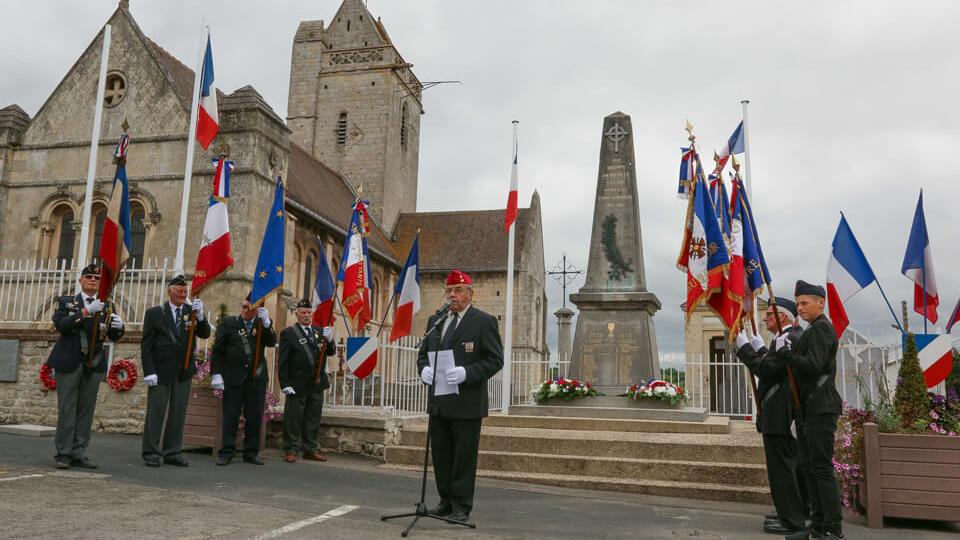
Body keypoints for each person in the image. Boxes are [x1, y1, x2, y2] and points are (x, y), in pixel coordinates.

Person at [416, 269, 503, 523]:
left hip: (467, 402)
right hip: (439, 402)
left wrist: (467, 372)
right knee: (442, 456)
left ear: (469, 294)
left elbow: (495, 360)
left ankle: (461, 506)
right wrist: (424, 370)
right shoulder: (437, 320)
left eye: (457, 290)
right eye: (449, 290)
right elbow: (423, 355)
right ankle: (445, 501)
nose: (452, 295)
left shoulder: (483, 322)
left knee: (463, 458)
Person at [775, 280, 844, 540]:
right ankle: (816, 527)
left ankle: (833, 530)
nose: (800, 308)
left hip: (821, 407)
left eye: (805, 303)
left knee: (822, 469)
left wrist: (787, 355)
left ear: (820, 302)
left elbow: (813, 366)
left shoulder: (821, 329)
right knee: (811, 468)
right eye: (799, 303)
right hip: (811, 408)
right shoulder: (814, 329)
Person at [736, 298, 806, 536]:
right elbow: (774, 365)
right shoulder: (786, 337)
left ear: (782, 317)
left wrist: (744, 348)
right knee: (787, 468)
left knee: (782, 470)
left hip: (780, 415)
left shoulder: (789, 338)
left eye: (768, 314)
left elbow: (767, 370)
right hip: (779, 414)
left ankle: (791, 521)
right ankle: (789, 511)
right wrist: (761, 349)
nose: (765, 319)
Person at [46, 263, 125, 469]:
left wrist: (119, 328)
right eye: (88, 277)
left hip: (94, 362)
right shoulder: (67, 302)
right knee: (68, 408)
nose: (92, 280)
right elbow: (61, 325)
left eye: (97, 278)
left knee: (86, 411)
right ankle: (63, 453)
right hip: (70, 360)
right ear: (80, 280)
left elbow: (110, 335)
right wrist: (85, 311)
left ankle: (79, 452)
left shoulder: (107, 305)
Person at [140, 274, 211, 467]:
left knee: (178, 413)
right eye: (179, 290)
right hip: (161, 370)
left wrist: (202, 317)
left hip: (183, 370)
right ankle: (152, 452)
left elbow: (204, 333)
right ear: (169, 291)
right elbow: (146, 345)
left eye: (185, 291)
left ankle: (172, 452)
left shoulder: (192, 311)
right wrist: (149, 370)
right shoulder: (156, 313)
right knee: (156, 412)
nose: (183, 293)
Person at [211, 295, 276, 466]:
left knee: (254, 417)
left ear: (257, 310)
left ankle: (251, 453)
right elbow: (218, 350)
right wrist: (216, 373)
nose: (245, 310)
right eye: (244, 306)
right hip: (233, 377)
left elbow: (271, 342)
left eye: (249, 308)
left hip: (256, 377)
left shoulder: (262, 324)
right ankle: (226, 451)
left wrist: (267, 323)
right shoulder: (229, 323)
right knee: (231, 415)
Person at [278, 299, 336, 463]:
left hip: (316, 383)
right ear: (297, 314)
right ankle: (291, 449)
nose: (306, 315)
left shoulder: (318, 331)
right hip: (297, 383)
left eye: (309, 312)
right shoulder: (289, 333)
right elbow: (282, 361)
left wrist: (330, 340)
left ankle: (311, 449)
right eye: (303, 312)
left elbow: (329, 353)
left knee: (313, 418)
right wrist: (285, 383)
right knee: (294, 419)